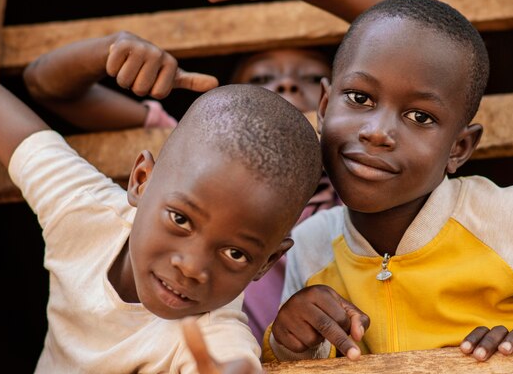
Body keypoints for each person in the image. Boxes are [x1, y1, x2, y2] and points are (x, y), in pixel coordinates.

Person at [207, 0, 513, 363]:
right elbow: (301, 360)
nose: (377, 132)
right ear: (324, 108)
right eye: (360, 98)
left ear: (459, 149)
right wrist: (287, 341)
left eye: (420, 117)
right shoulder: (310, 246)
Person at [0, 65, 322, 373]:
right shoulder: (84, 209)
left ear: (268, 263)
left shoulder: (213, 333)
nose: (191, 267)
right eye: (180, 220)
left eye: (235, 254)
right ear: (141, 180)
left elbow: (229, 363)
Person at [24, 30, 341, 346]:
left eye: (312, 76)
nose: (287, 84)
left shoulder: (347, 186)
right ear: (142, 178)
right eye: (261, 77)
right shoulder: (193, 150)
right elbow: (47, 89)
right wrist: (109, 50)